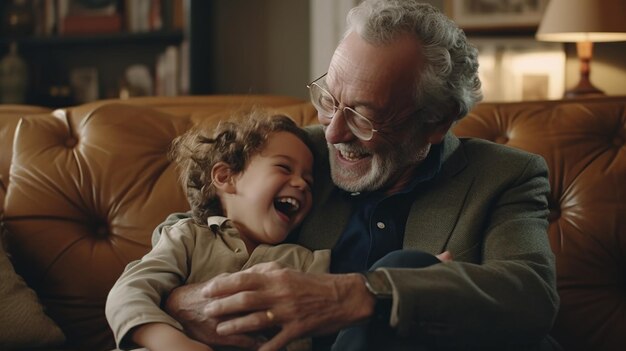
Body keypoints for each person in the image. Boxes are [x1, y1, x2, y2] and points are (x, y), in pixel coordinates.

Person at [156, 1, 559, 350]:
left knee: (409, 265)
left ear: (437, 122)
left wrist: (363, 294)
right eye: (330, 100)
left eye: (364, 116)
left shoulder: (505, 175)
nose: (334, 132)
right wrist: (184, 301)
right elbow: (196, 229)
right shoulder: (298, 155)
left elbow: (531, 296)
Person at [105, 113, 332, 351]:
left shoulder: (306, 263)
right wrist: (173, 343)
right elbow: (129, 293)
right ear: (225, 177)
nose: (302, 184)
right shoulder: (187, 237)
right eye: (284, 168)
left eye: (309, 181)